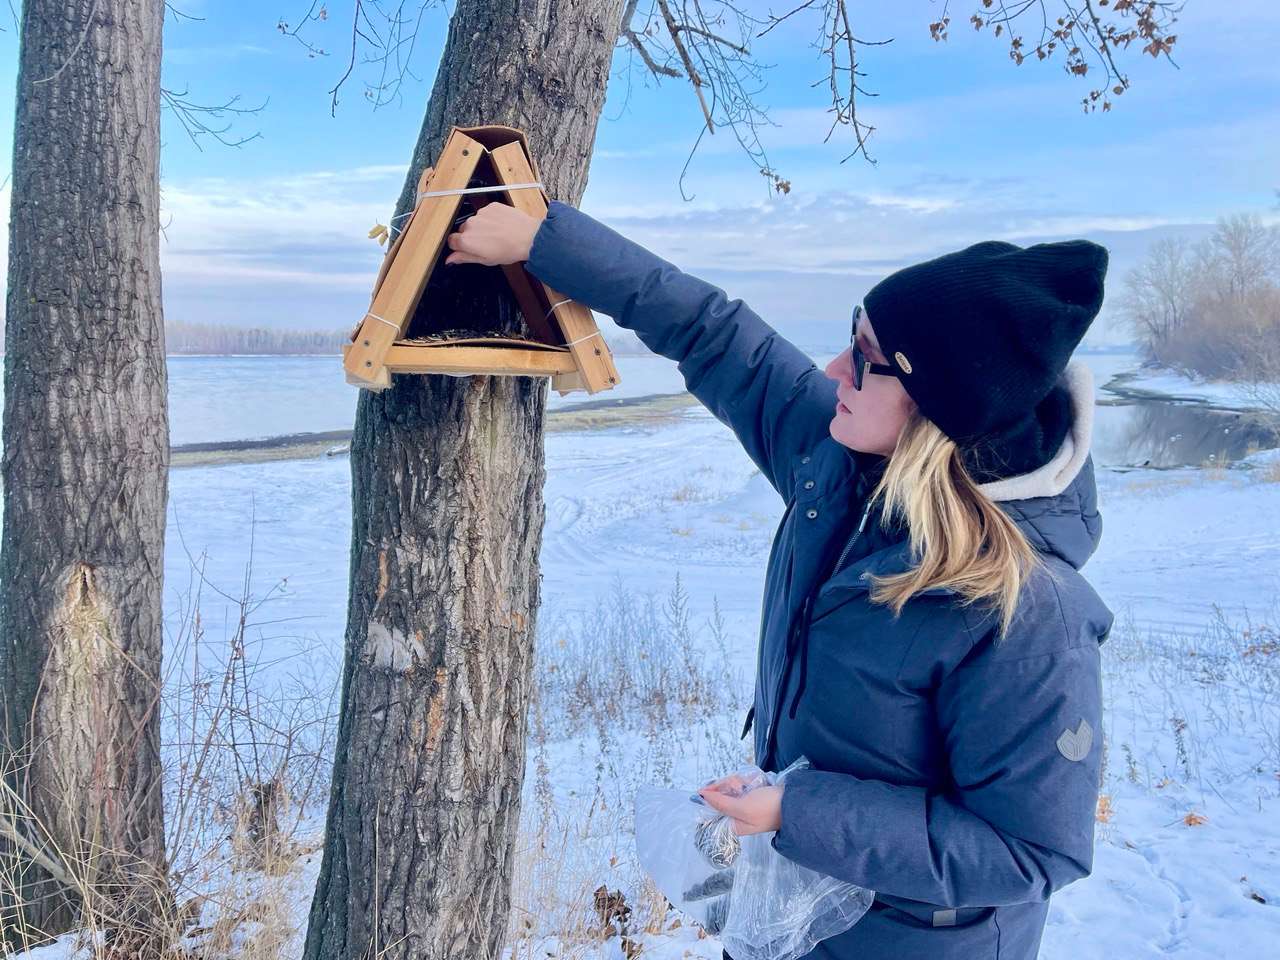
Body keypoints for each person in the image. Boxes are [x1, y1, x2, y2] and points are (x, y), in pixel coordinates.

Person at [444, 198, 1114, 960]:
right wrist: (545, 243)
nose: (836, 371)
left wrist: (798, 811)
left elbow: (1031, 852)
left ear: (939, 410)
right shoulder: (841, 460)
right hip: (789, 913)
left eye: (866, 357)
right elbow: (717, 333)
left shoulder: (1030, 615)